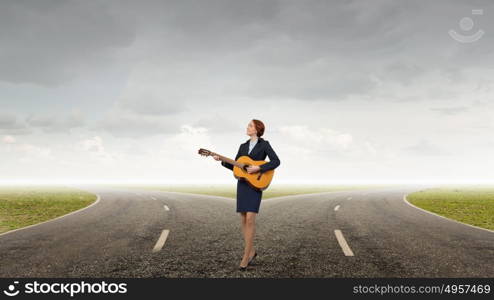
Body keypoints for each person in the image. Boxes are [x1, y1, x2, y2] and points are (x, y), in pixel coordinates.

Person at [213, 119, 281, 271]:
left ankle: (246, 256)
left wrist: (259, 168)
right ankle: (252, 251)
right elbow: (237, 167)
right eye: (248, 125)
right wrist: (221, 160)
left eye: (250, 125)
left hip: (256, 184)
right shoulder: (242, 146)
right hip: (243, 184)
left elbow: (276, 161)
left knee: (250, 218)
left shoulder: (265, 145)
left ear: (257, 129)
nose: (247, 127)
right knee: (243, 219)